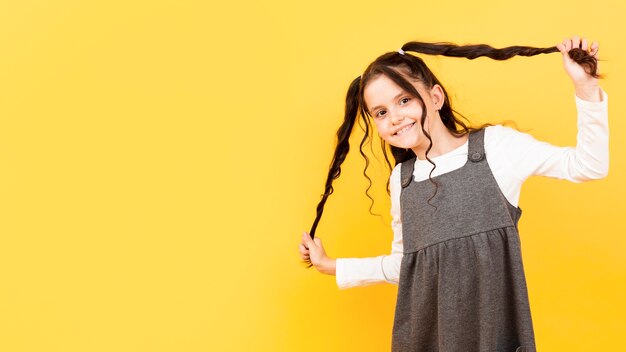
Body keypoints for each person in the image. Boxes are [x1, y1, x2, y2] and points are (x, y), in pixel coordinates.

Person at [298, 36, 608, 352]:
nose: (394, 117)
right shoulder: (401, 180)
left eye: (404, 100)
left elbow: (589, 166)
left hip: (494, 338)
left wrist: (585, 88)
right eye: (380, 112)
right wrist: (332, 265)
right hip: (426, 339)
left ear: (435, 97)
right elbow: (406, 264)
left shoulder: (496, 148)